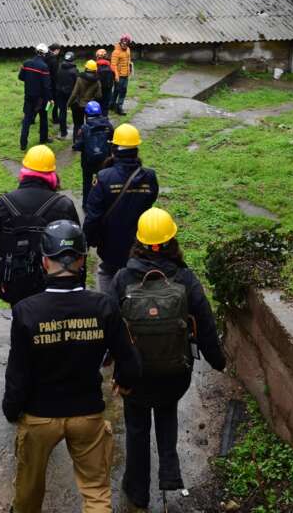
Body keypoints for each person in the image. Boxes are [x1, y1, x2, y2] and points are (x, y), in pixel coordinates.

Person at [3, 220, 141, 513]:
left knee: (28, 493)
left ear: (44, 261)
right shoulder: (104, 307)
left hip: (39, 416)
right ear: (82, 260)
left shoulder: (26, 311)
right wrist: (125, 381)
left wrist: (12, 409)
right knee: (96, 492)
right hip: (87, 413)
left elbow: (18, 372)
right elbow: (129, 360)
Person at [108, 208, 225, 511]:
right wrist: (218, 360)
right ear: (172, 240)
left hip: (135, 375)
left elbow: (109, 324)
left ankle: (137, 491)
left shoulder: (122, 279)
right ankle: (170, 475)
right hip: (174, 374)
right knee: (166, 413)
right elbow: (205, 323)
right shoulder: (185, 278)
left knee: (136, 427)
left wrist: (108, 360)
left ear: (139, 242)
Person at [0, 145, 79, 306]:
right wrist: (78, 284)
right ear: (52, 173)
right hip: (52, 286)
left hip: (14, 284)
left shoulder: (3, 204)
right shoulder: (64, 205)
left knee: (19, 316)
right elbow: (76, 247)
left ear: (24, 171)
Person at [82, 124, 159, 293]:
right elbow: (150, 203)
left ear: (114, 149)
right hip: (140, 244)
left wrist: (86, 241)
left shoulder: (104, 177)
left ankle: (110, 305)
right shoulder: (150, 177)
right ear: (136, 150)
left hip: (111, 245)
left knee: (107, 274)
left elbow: (93, 216)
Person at [74, 100, 113, 206]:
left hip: (88, 162)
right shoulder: (108, 126)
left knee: (87, 183)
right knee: (104, 182)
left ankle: (86, 204)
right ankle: (102, 203)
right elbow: (112, 140)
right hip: (105, 161)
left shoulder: (84, 128)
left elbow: (77, 146)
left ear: (86, 114)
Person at [19, 44, 53, 151]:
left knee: (27, 119)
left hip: (28, 96)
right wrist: (50, 98)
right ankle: (43, 139)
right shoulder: (44, 67)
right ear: (44, 54)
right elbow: (47, 86)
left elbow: (21, 77)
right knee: (43, 118)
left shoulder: (26, 63)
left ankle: (23, 144)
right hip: (41, 98)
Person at [67, 59, 102, 144]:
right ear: (95, 69)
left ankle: (76, 142)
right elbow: (99, 95)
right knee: (90, 124)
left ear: (86, 68)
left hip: (78, 105)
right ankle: (88, 142)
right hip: (90, 107)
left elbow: (74, 93)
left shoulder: (80, 78)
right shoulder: (97, 81)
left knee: (78, 124)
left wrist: (68, 104)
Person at [54, 51, 78, 138]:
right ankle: (76, 132)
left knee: (62, 111)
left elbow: (56, 78)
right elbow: (77, 84)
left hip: (60, 92)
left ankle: (63, 132)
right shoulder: (75, 71)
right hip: (71, 94)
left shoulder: (59, 67)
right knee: (75, 112)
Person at [110, 35, 133, 116]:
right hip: (119, 75)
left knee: (120, 90)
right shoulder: (116, 52)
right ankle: (118, 107)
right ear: (121, 42)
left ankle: (113, 105)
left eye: (126, 44)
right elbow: (113, 65)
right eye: (123, 43)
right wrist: (116, 75)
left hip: (126, 74)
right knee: (120, 90)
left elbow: (128, 60)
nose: (124, 45)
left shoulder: (128, 50)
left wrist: (130, 69)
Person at [45, 43, 62, 128]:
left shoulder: (45, 56)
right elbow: (55, 74)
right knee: (55, 101)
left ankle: (34, 117)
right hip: (52, 83)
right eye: (59, 51)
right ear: (56, 50)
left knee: (44, 100)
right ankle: (55, 118)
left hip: (45, 82)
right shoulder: (53, 59)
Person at [94, 49, 115, 113]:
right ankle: (105, 116)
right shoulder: (109, 65)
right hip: (108, 90)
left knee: (98, 105)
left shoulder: (95, 66)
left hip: (98, 90)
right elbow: (113, 76)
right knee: (105, 105)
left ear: (97, 56)